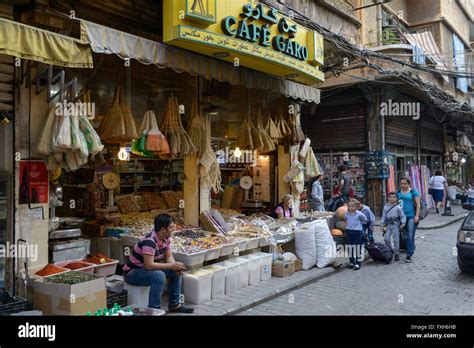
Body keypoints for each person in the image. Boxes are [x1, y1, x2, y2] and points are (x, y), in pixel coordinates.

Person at [123, 214, 194, 313]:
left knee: (176, 271)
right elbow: (149, 265)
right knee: (159, 276)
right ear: (163, 229)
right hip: (132, 273)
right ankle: (154, 310)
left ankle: (174, 305)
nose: (173, 229)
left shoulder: (166, 239)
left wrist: (175, 267)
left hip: (146, 270)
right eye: (170, 227)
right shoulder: (149, 241)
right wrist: (171, 266)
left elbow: (168, 256)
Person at [397, 177, 421, 263]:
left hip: (411, 216)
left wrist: (417, 216)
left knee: (410, 235)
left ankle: (409, 255)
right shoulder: (398, 192)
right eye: (402, 184)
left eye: (405, 184)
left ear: (409, 184)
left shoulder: (413, 191)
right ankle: (410, 247)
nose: (403, 185)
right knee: (405, 235)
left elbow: (418, 204)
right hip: (401, 217)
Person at [381, 192, 406, 261]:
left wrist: (403, 223)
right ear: (388, 198)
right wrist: (382, 225)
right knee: (386, 239)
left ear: (396, 199)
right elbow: (383, 216)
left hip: (395, 225)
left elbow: (402, 216)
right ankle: (391, 250)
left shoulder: (398, 207)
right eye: (390, 197)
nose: (392, 198)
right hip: (388, 225)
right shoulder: (385, 206)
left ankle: (397, 254)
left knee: (396, 240)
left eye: (393, 197)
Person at [344, 199, 367, 271]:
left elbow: (365, 219)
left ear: (356, 207)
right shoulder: (346, 213)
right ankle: (351, 262)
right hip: (349, 232)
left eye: (353, 206)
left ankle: (357, 263)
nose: (351, 208)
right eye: (349, 206)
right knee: (350, 247)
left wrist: (360, 225)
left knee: (357, 247)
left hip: (358, 232)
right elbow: (346, 219)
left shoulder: (359, 214)